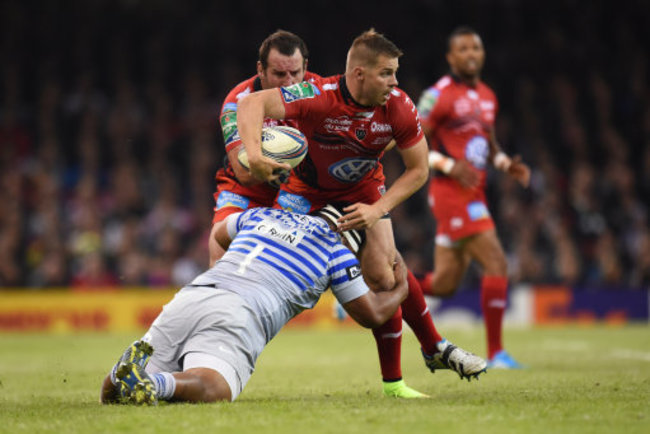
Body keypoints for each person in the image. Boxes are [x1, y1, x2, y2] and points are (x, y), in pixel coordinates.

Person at [235, 29, 486, 397]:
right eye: (386, 73)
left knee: (385, 274)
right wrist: (254, 156)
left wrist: (378, 209)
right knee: (276, 275)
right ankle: (228, 341)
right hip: (304, 194)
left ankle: (403, 376)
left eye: (395, 72)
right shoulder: (317, 96)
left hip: (363, 191)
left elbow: (419, 170)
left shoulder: (399, 106)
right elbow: (250, 104)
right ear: (359, 75)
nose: (395, 81)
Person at [101, 206, 432, 404]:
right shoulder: (336, 250)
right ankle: (154, 384)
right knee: (216, 386)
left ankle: (125, 378)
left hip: (194, 294)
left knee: (113, 393)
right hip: (240, 311)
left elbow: (218, 232)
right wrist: (402, 289)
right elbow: (372, 314)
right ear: (351, 238)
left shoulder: (263, 215)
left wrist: (222, 268)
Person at [415, 26, 531, 369]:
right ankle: (496, 353)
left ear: (482, 54)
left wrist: (505, 163)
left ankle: (376, 290)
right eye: (462, 49)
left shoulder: (488, 97)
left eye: (475, 48)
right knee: (496, 261)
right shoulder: (437, 95)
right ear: (451, 57)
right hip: (451, 193)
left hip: (474, 191)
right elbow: (416, 145)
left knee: (445, 283)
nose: (470, 54)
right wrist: (449, 166)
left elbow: (487, 146)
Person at [209, 30, 319, 266]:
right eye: (279, 74)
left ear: (305, 66)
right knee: (219, 250)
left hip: (301, 188)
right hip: (247, 189)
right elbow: (243, 173)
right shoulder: (236, 102)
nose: (289, 83)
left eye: (295, 73)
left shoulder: (319, 92)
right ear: (261, 70)